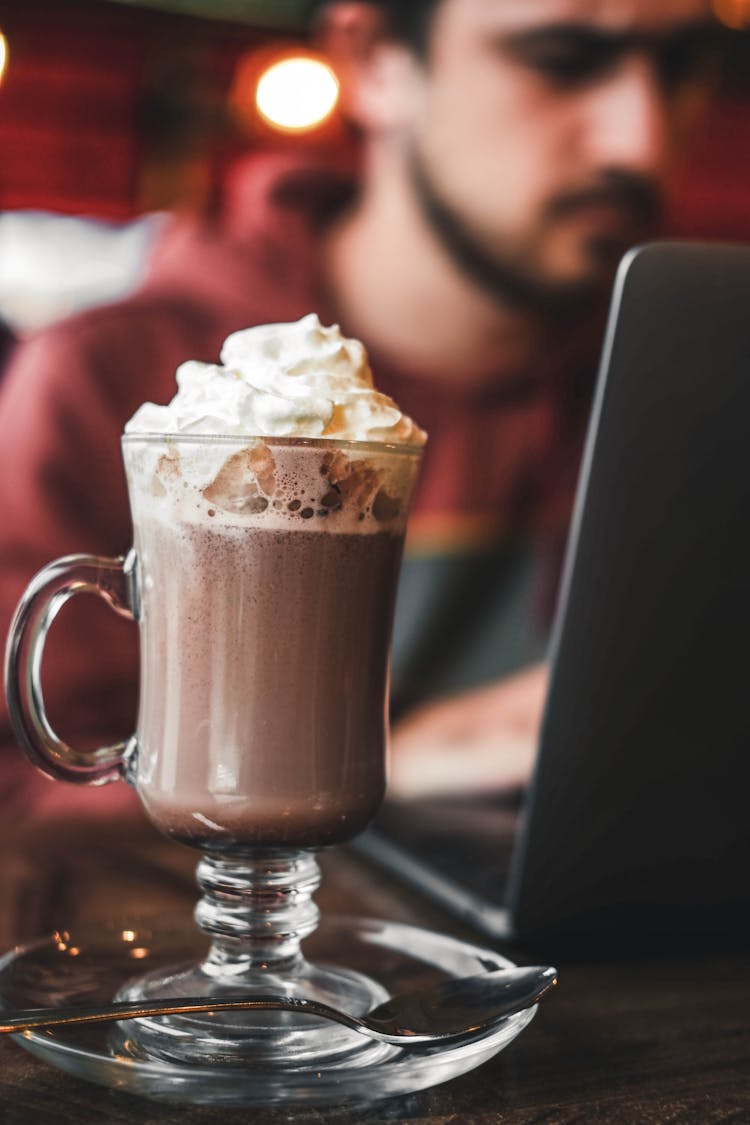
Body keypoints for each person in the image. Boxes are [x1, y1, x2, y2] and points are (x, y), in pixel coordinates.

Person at [0, 0, 721, 817]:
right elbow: (22, 793)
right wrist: (391, 767)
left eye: (685, 65)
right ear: (376, 59)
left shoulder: (695, 387)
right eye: (560, 58)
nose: (642, 139)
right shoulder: (117, 382)